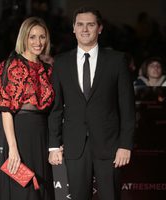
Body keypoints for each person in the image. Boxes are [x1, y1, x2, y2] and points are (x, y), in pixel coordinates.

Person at [48, 7, 135, 200]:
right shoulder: (61, 63)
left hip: (110, 146)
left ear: (100, 28)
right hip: (74, 145)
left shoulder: (117, 60)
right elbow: (56, 107)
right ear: (73, 28)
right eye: (80, 24)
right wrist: (54, 145)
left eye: (90, 24)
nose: (85, 29)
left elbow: (127, 108)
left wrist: (125, 145)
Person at [0, 17, 55, 200]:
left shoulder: (48, 70)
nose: (38, 42)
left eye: (42, 37)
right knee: (22, 191)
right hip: (19, 136)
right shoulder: (10, 66)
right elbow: (5, 110)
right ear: (24, 38)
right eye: (32, 37)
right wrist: (13, 148)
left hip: (42, 137)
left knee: (41, 190)